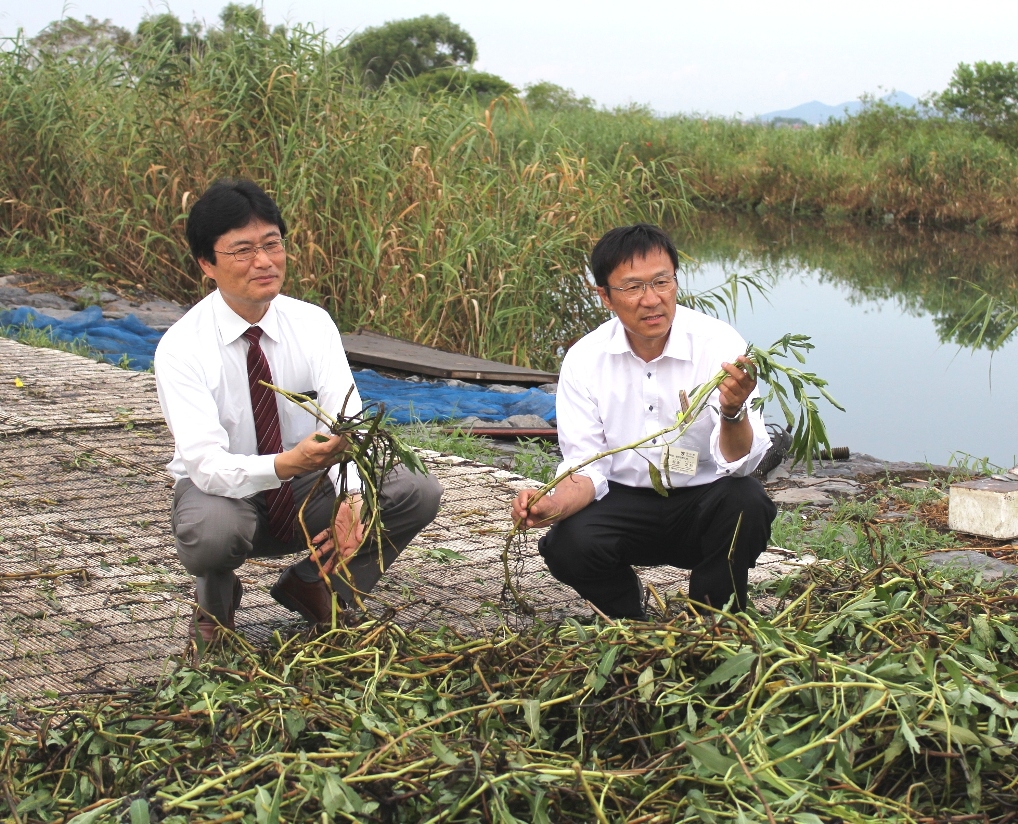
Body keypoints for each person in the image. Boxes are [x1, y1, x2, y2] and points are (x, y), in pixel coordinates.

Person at [155, 179, 442, 642]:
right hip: (228, 494)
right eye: (243, 250)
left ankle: (318, 587)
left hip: (309, 487)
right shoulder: (181, 348)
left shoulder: (312, 324)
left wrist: (352, 495)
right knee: (212, 533)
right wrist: (286, 463)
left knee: (415, 489)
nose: (264, 261)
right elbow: (206, 465)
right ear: (207, 264)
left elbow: (348, 423)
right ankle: (215, 604)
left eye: (272, 244)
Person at [512, 224, 777, 618]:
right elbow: (585, 468)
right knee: (567, 544)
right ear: (605, 296)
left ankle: (714, 617)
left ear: (675, 281)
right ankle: (625, 615)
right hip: (622, 500)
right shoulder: (585, 359)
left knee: (748, 504)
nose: (652, 300)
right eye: (633, 287)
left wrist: (732, 411)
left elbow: (741, 464)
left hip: (702, 499)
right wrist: (550, 504)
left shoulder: (719, 345)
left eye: (661, 282)